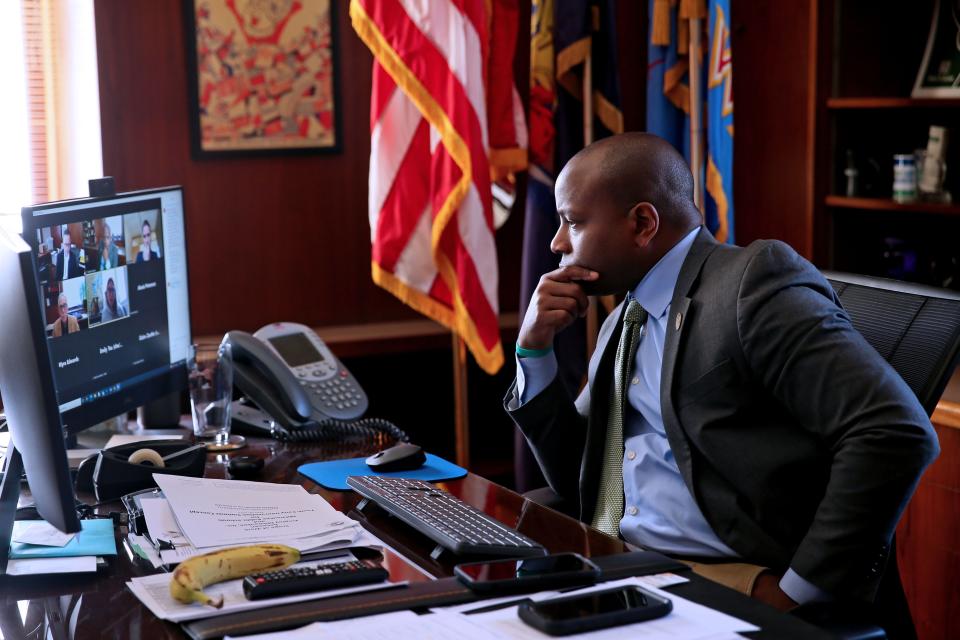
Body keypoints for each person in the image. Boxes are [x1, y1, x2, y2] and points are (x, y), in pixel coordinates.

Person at [505, 133, 938, 628]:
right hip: (624, 567)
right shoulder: (626, 314)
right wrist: (534, 350)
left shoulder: (752, 285)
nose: (557, 243)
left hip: (726, 580)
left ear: (643, 223)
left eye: (573, 222)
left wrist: (795, 592)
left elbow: (893, 430)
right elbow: (578, 474)